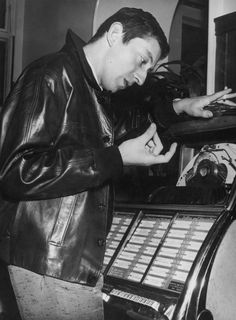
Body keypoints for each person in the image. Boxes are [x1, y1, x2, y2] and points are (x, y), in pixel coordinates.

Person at [0, 6, 235, 320]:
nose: (140, 78)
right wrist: (118, 157)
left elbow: (129, 125)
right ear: (114, 35)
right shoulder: (50, 74)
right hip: (52, 263)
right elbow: (16, 170)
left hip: (68, 262)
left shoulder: (91, 89)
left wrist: (183, 106)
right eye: (141, 61)